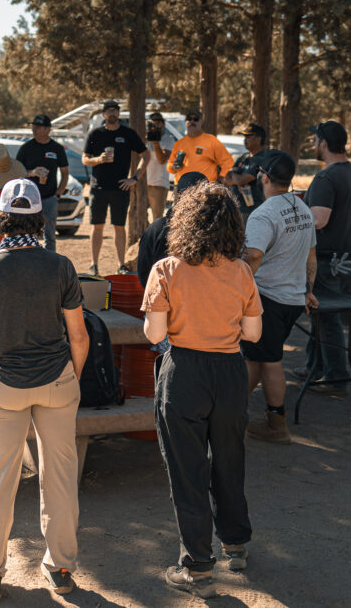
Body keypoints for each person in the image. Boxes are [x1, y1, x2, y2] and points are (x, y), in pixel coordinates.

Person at [0, 178, 89, 602]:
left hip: (3, 384)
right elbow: (79, 337)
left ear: (0, 217)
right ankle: (62, 567)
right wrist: (71, 377)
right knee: (60, 477)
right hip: (56, 380)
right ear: (39, 219)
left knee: (0, 479)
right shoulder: (61, 266)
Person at [141, 182, 263, 599]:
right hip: (230, 371)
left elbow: (154, 333)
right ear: (233, 225)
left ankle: (197, 567)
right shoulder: (241, 270)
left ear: (184, 222)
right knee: (230, 457)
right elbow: (253, 331)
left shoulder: (167, 269)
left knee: (187, 470)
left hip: (185, 372)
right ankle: (236, 544)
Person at [242, 151, 318, 444]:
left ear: (264, 177)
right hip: (292, 299)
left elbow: (253, 256)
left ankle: (277, 426)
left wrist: (239, 292)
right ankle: (235, 411)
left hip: (268, 298)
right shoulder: (303, 208)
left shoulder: (264, 214)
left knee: (268, 359)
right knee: (256, 358)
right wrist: (308, 290)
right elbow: (312, 257)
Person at [300, 121, 351, 394]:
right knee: (322, 314)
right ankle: (315, 367)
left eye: (316, 140)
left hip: (327, 261)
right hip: (346, 258)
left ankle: (336, 378)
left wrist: (297, 214)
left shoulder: (327, 178)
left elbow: (319, 220)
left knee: (327, 317)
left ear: (323, 143)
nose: (314, 145)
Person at [81, 100, 149, 275]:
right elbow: (85, 159)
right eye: (109, 111)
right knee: (97, 226)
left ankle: (121, 264)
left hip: (121, 188)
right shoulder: (95, 134)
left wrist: (134, 178)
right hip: (98, 187)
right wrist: (98, 160)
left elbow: (146, 155)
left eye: (115, 110)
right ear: (103, 114)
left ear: (119, 114)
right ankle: (93, 264)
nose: (112, 113)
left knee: (119, 227)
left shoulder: (127, 133)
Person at [136, 171, 208, 287]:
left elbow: (143, 272)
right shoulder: (214, 230)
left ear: (176, 194)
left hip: (161, 295)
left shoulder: (157, 228)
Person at [15, 114, 70, 251]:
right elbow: (16, 172)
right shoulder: (26, 148)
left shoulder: (57, 148)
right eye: (33, 127)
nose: (34, 129)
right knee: (28, 235)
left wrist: (57, 194)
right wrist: (32, 173)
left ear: (48, 129)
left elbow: (65, 173)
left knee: (50, 237)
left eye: (38, 127)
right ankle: (30, 265)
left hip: (49, 198)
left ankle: (49, 266)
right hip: (28, 200)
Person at [167, 109, 235, 184]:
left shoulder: (211, 141)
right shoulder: (179, 143)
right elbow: (169, 166)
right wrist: (173, 167)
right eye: (189, 119)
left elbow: (228, 162)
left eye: (195, 119)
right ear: (185, 122)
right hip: (182, 188)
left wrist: (221, 178)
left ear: (201, 122)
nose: (192, 122)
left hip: (204, 189)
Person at [224, 123, 269, 217]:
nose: (245, 140)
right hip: (237, 209)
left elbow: (240, 180)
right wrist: (236, 176)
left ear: (258, 138)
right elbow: (226, 179)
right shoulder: (243, 157)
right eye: (244, 137)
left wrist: (234, 174)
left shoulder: (262, 159)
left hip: (255, 210)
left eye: (248, 136)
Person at [145, 112, 175, 220]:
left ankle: (155, 237)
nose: (155, 126)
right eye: (153, 124)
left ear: (163, 124)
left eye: (158, 123)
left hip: (159, 183)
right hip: (143, 183)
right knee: (140, 215)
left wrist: (156, 144)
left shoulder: (168, 139)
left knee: (157, 217)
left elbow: (162, 160)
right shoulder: (145, 138)